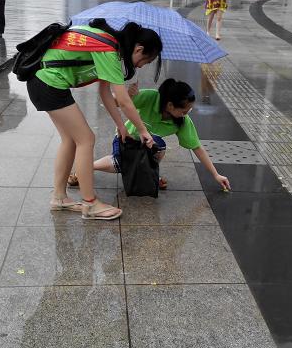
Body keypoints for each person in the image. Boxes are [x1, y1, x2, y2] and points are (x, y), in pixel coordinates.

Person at [26, 18, 163, 221]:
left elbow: (105, 92)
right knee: (86, 139)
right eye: (146, 61)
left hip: (43, 81)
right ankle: (90, 204)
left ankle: (59, 198)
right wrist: (143, 130)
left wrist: (121, 126)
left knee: (70, 140)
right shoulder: (109, 50)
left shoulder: (108, 45)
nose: (142, 66)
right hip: (49, 83)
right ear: (139, 49)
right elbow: (123, 101)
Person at [68, 78, 231, 191]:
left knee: (158, 144)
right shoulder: (150, 97)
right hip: (126, 139)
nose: (187, 113)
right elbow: (112, 101)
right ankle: (85, 168)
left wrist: (216, 175)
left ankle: (147, 174)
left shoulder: (182, 121)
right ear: (170, 105)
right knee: (120, 163)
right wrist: (127, 96)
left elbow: (197, 147)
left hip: (149, 146)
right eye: (184, 110)